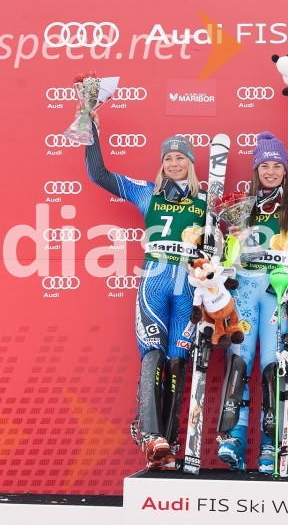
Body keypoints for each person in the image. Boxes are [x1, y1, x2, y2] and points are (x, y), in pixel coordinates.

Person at [82, 112, 206, 470]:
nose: (173, 163)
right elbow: (99, 175)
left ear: (191, 163)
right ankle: (151, 435)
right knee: (151, 355)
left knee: (178, 362)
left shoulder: (205, 201)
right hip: (154, 278)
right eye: (168, 158)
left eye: (180, 157)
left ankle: (169, 445)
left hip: (188, 287)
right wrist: (92, 129)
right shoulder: (146, 192)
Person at [215, 130, 288, 474]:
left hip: (277, 291)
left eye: (277, 165)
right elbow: (226, 250)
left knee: (274, 368)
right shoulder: (240, 205)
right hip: (245, 287)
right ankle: (232, 438)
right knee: (239, 363)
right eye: (265, 166)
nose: (271, 171)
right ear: (256, 169)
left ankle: (270, 446)